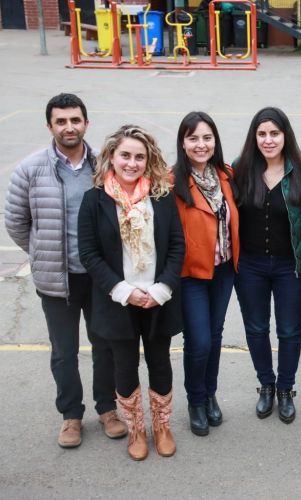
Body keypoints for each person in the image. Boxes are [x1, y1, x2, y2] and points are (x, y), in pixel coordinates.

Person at [4, 93, 126, 448]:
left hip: (100, 277)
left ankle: (108, 409)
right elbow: (16, 222)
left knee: (105, 346)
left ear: (86, 123)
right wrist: (43, 253)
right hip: (58, 279)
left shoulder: (104, 166)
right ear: (50, 126)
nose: (68, 127)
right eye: (61, 121)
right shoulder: (30, 169)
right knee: (64, 352)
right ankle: (71, 415)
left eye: (75, 120)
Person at [78, 125, 184, 461]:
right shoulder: (94, 200)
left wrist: (162, 288)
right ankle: (136, 428)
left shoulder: (162, 197)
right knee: (124, 367)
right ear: (112, 156)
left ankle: (162, 427)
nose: (132, 163)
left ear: (148, 160)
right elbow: (89, 254)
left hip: (157, 299)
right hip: (118, 301)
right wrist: (123, 290)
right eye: (125, 155)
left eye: (140, 157)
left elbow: (177, 247)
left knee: (160, 363)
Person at [232, 107, 301, 424]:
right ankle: (266, 383)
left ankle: (285, 388)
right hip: (250, 265)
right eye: (262, 134)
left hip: (290, 266)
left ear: (285, 135)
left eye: (274, 133)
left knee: (289, 331)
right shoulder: (239, 170)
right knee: (256, 328)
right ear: (254, 137)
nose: (268, 140)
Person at [173, 111, 240, 436]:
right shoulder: (172, 182)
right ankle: (195, 400)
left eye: (207, 138)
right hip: (191, 275)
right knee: (198, 341)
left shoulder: (226, 175)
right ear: (183, 143)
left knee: (214, 337)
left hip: (223, 270)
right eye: (193, 138)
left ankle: (210, 394)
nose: (201, 145)